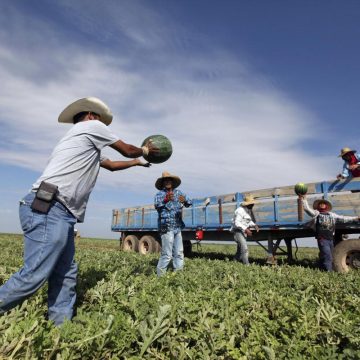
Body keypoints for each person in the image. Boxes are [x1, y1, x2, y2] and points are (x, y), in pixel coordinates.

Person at [0, 97, 158, 326]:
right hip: (49, 206)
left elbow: (112, 165)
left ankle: (60, 327)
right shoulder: (92, 127)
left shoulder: (83, 143)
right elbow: (125, 149)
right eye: (102, 120)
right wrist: (144, 150)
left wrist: (136, 163)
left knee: (66, 272)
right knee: (34, 274)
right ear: (92, 116)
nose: (104, 125)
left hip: (59, 211)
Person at [301, 195, 359, 271]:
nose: (322, 204)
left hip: (330, 239)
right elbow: (307, 209)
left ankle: (321, 268)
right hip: (322, 239)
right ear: (318, 206)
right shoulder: (317, 214)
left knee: (328, 255)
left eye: (323, 203)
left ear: (326, 206)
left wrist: (355, 218)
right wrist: (304, 200)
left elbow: (343, 218)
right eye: (320, 204)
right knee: (327, 255)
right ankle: (329, 272)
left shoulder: (332, 215)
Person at [154, 172, 192, 276]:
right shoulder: (160, 194)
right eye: (165, 180)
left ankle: (178, 274)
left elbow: (189, 202)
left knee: (179, 252)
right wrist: (166, 199)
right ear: (162, 183)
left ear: (172, 182)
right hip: (166, 227)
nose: (167, 182)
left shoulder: (178, 192)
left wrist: (185, 200)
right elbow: (157, 205)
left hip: (177, 227)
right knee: (167, 254)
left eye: (169, 180)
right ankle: (160, 276)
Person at [230, 195, 260, 265]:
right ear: (248, 204)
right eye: (252, 203)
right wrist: (246, 229)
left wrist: (254, 225)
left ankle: (234, 262)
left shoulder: (247, 211)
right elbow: (237, 222)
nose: (253, 205)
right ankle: (247, 265)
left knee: (240, 250)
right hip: (238, 232)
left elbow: (248, 221)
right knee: (244, 248)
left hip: (242, 231)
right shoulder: (240, 210)